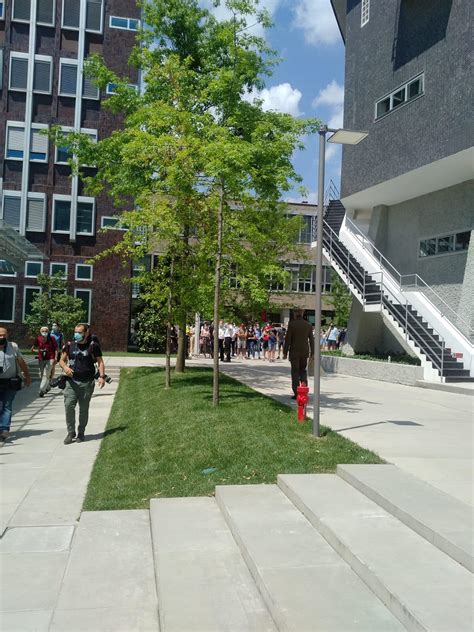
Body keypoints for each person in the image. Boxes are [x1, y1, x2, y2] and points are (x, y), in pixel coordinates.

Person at [59, 323, 106, 444]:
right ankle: (71, 432)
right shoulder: (69, 345)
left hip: (87, 383)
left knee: (83, 409)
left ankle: (81, 432)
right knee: (69, 406)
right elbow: (61, 360)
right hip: (71, 382)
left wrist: (101, 376)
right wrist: (65, 368)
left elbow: (100, 362)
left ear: (86, 333)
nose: (77, 334)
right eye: (75, 332)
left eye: (79, 332)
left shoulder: (93, 346)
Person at [0, 327, 32, 442]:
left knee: (7, 405)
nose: (1, 337)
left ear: (7, 335)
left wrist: (27, 376)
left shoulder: (13, 346)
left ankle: (4, 429)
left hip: (10, 381)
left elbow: (21, 361)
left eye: (3, 335)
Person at [283, 310, 314, 400]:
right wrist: (312, 352)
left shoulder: (292, 324)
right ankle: (304, 389)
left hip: (294, 352)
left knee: (295, 372)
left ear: (295, 314)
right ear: (302, 314)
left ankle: (297, 393)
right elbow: (311, 340)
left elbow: (288, 340)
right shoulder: (308, 325)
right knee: (303, 370)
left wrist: (285, 352)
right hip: (304, 351)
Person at [31, 326, 58, 397]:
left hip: (50, 358)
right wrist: (39, 351)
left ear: (48, 331)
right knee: (43, 374)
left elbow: (56, 349)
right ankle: (48, 387)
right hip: (41, 358)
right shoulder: (38, 339)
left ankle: (41, 390)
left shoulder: (52, 338)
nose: (44, 332)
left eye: (46, 331)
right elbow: (32, 349)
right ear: (40, 332)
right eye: (43, 331)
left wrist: (55, 357)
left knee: (46, 374)